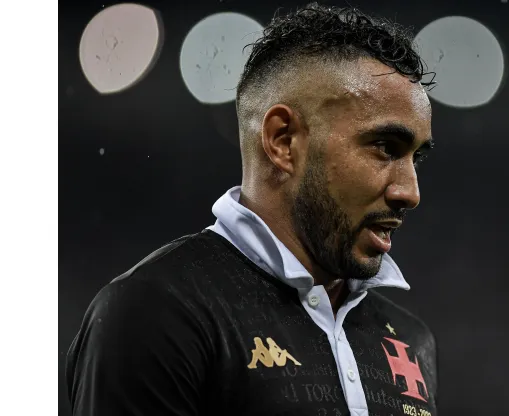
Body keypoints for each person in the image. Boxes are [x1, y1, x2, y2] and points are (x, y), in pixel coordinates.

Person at [66, 3, 439, 415]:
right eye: (385, 148)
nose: (410, 192)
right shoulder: (158, 313)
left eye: (416, 158)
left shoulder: (409, 339)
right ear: (282, 141)